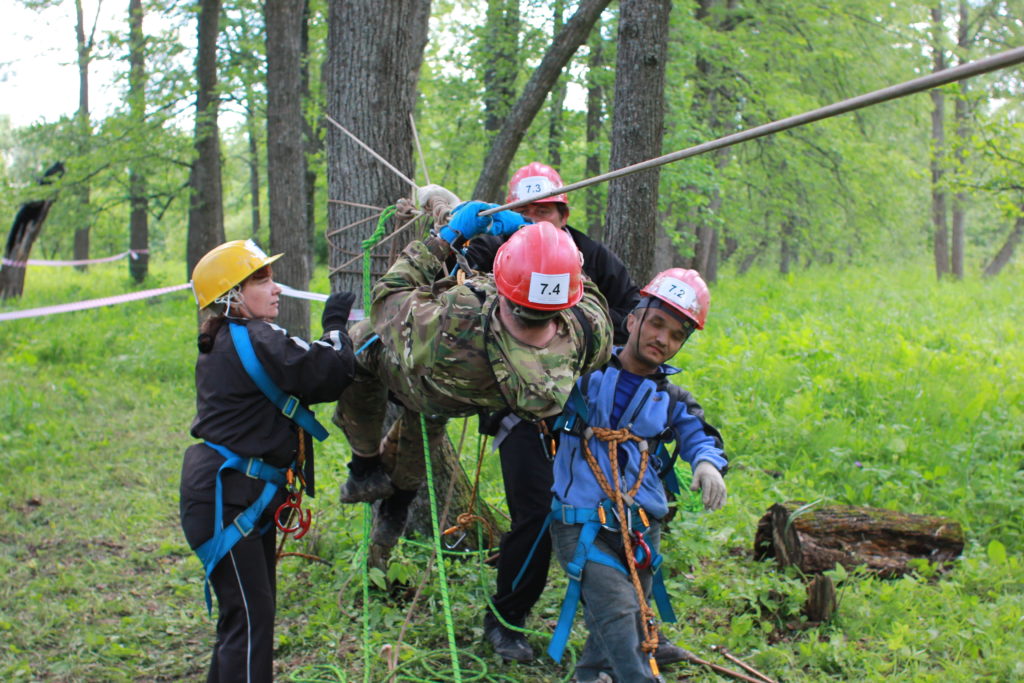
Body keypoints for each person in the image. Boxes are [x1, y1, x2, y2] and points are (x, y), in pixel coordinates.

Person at [448, 162, 693, 666]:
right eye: (529, 212)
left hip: (591, 412)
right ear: (513, 214)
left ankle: (632, 631)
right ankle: (507, 621)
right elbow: (449, 295)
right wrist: (452, 236)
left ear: (564, 211)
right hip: (520, 413)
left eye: (550, 211)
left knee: (633, 513)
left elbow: (633, 318)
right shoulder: (492, 249)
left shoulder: (590, 256)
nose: (541, 221)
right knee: (537, 514)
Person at [333, 218, 613, 554]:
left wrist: (444, 239)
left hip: (420, 381)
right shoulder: (589, 333)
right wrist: (546, 250)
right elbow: (588, 293)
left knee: (359, 343)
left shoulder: (454, 326)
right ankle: (401, 499)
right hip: (464, 399)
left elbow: (388, 299)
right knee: (427, 417)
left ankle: (364, 465)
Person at [180, 239, 357, 682]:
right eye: (262, 279)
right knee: (250, 620)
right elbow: (329, 371)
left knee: (245, 617)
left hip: (231, 497)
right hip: (229, 500)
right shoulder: (257, 338)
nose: (276, 289)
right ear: (232, 296)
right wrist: (336, 326)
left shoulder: (229, 338)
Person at [547, 268, 729, 683]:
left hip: (642, 530)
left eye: (677, 334)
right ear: (632, 320)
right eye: (657, 323)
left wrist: (705, 464)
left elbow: (698, 434)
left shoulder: (670, 397)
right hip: (581, 523)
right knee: (620, 612)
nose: (663, 339)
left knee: (619, 616)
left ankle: (589, 676)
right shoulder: (585, 373)